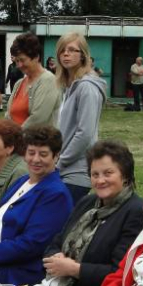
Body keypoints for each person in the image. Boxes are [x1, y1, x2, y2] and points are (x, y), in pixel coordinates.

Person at [42, 140, 143, 286]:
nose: (100, 180)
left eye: (108, 173)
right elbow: (57, 241)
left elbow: (120, 273)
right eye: (95, 174)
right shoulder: (88, 202)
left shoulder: (136, 213)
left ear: (125, 175)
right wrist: (56, 256)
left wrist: (75, 269)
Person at [0, 125, 73, 286]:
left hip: (9, 272)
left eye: (43, 154)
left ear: (56, 156)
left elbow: (31, 244)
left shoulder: (56, 194)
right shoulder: (22, 181)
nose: (35, 159)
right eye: (31, 153)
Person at [54, 32, 106, 205]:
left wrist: (60, 162)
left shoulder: (87, 87)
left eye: (72, 50)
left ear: (83, 55)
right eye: (62, 51)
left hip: (76, 173)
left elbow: (85, 133)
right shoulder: (70, 86)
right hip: (64, 169)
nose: (66, 54)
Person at [6, 32, 61, 129]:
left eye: (22, 60)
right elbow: (9, 114)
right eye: (17, 61)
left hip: (36, 142)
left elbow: (38, 119)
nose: (19, 65)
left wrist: (14, 137)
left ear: (36, 57)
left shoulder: (48, 81)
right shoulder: (19, 84)